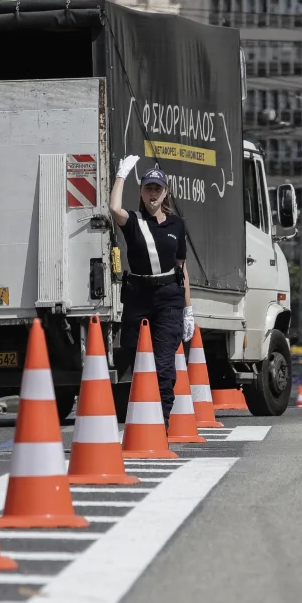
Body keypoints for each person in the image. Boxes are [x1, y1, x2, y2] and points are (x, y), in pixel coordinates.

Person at [110, 156, 194, 418]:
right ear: (142, 193)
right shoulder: (134, 221)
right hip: (137, 297)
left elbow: (182, 267)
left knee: (164, 362)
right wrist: (122, 175)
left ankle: (163, 419)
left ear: (165, 192)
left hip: (169, 298)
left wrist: (188, 310)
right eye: (148, 188)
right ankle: (144, 414)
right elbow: (114, 209)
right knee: (136, 358)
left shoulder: (177, 225)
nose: (153, 193)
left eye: (158, 189)